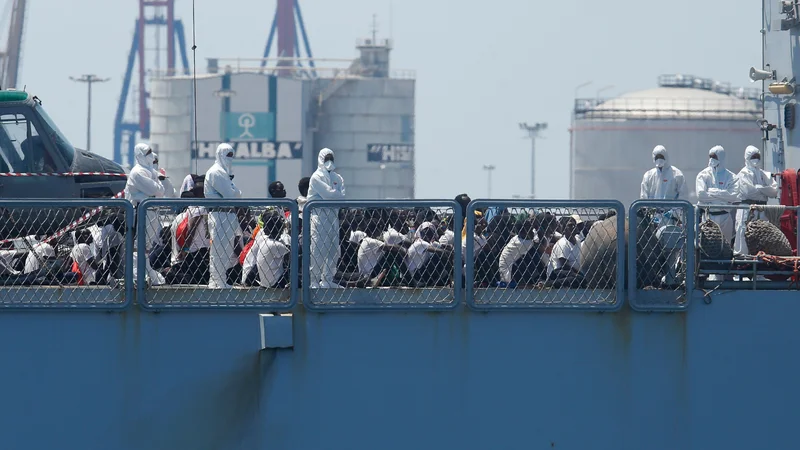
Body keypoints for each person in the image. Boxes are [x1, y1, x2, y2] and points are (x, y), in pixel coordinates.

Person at [124, 143, 165, 285]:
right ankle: (136, 276)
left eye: (150, 152)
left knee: (146, 247)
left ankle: (145, 271)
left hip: (151, 212)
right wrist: (157, 187)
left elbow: (160, 191)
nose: (149, 155)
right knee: (138, 245)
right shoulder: (138, 172)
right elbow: (156, 190)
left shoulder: (150, 171)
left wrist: (156, 187)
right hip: (141, 213)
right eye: (146, 152)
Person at [204, 143, 243, 289]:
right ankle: (216, 281)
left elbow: (234, 194)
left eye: (232, 156)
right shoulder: (216, 172)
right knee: (219, 249)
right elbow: (232, 195)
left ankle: (220, 280)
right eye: (228, 155)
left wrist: (235, 191)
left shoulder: (223, 172)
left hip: (227, 215)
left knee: (226, 250)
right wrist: (236, 191)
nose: (230, 159)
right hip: (220, 215)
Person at [306, 148, 346, 288]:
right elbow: (329, 195)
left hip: (333, 217)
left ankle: (327, 279)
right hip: (319, 218)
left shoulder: (337, 178)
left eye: (331, 158)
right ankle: (314, 281)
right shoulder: (316, 177)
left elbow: (342, 197)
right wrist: (335, 196)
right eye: (326, 158)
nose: (329, 161)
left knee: (334, 249)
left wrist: (334, 196)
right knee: (318, 250)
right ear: (321, 159)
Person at [734, 145, 779, 255]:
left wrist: (758, 188)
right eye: (753, 156)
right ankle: (742, 261)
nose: (756, 159)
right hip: (746, 210)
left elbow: (774, 191)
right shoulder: (743, 174)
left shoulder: (764, 174)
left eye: (757, 156)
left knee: (763, 234)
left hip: (762, 210)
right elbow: (748, 192)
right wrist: (764, 190)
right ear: (747, 157)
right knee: (743, 233)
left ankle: (760, 262)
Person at [696, 145, 739, 243]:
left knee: (726, 245)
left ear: (721, 158)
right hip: (708, 217)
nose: (712, 159)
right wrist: (723, 197)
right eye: (710, 157)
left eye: (714, 157)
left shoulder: (731, 177)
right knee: (707, 246)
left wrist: (712, 192)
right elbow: (701, 195)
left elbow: (733, 196)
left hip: (725, 217)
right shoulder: (703, 175)